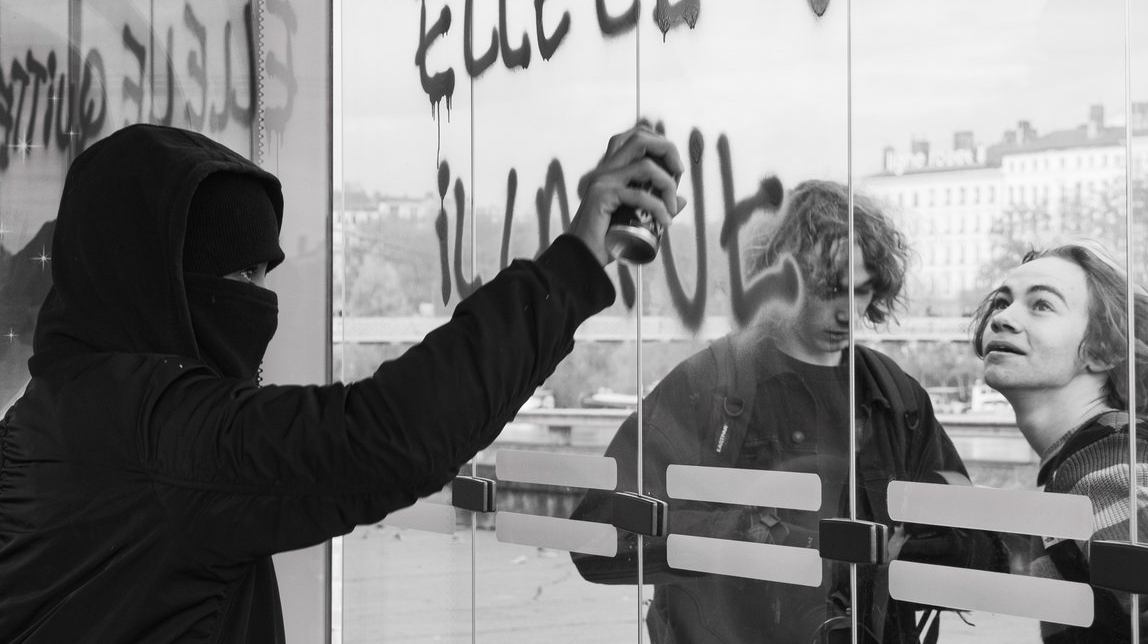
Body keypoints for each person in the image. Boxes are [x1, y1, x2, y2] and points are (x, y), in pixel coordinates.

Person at [0, 121, 684, 644]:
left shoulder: (45, 418)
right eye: (238, 276)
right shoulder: (158, 434)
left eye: (264, 273)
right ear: (158, 283)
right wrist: (578, 262)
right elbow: (391, 434)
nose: (259, 300)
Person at [571, 180, 1005, 644]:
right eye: (829, 289)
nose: (847, 312)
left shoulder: (896, 396)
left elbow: (987, 556)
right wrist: (747, 535)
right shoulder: (711, 385)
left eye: (860, 291)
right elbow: (597, 538)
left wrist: (926, 552)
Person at [972, 242, 1148, 644]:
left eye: (1042, 305)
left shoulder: (1114, 468)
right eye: (1002, 303)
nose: (1002, 318)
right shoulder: (1102, 453)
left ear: (1103, 350)